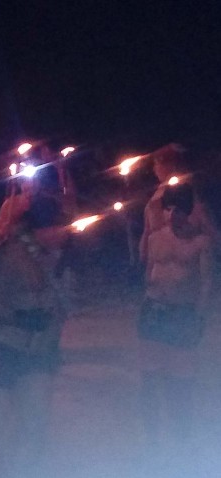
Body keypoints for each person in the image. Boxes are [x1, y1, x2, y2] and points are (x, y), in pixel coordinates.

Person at [0, 194, 69, 476]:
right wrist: (24, 313)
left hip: (39, 348)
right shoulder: (7, 255)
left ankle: (24, 469)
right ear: (40, 229)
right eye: (57, 227)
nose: (63, 232)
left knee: (36, 421)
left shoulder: (56, 258)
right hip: (1, 348)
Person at [138, 183, 212, 470]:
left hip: (182, 315)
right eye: (168, 209)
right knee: (149, 377)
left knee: (179, 382)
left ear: (188, 211)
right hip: (154, 310)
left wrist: (199, 317)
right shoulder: (156, 238)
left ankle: (182, 440)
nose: (172, 215)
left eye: (178, 209)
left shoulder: (199, 243)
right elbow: (148, 270)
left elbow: (206, 283)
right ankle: (153, 440)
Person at [139, 145, 215, 264]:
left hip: (184, 265)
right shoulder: (153, 199)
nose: (154, 169)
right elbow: (148, 231)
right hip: (158, 268)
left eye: (157, 163)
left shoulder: (189, 192)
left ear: (170, 164)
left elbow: (204, 224)